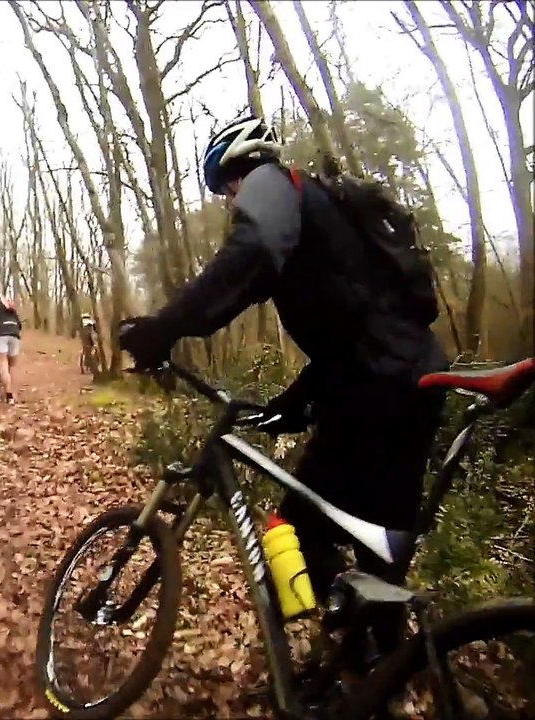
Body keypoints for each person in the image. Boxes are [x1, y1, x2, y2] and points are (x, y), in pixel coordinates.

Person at [118, 114, 446, 671]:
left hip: (374, 386)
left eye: (226, 190)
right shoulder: (325, 206)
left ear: (236, 170)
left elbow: (252, 256)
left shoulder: (275, 184)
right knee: (379, 550)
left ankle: (321, 666)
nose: (230, 202)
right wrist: (300, 397)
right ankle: (366, 673)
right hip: (409, 381)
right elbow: (362, 318)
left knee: (288, 527)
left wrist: (164, 326)